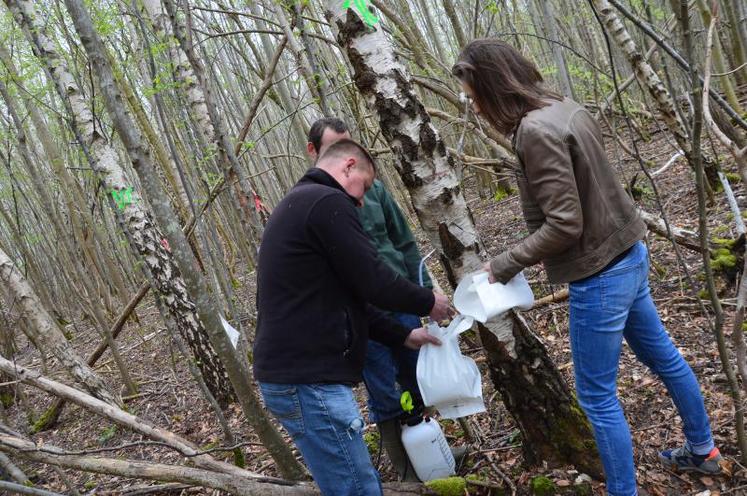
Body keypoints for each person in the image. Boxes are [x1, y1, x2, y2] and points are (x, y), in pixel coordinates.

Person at [452, 39, 722, 496]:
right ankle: (704, 450)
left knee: (596, 397)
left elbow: (565, 224)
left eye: (472, 92)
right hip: (629, 252)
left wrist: (504, 264)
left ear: (492, 86)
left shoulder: (536, 130)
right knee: (665, 359)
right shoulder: (562, 106)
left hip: (600, 273)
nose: (472, 104)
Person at [253, 138, 452, 496]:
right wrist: (427, 301)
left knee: (356, 481)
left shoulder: (304, 204)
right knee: (355, 487)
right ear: (347, 167)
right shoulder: (326, 201)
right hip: (307, 379)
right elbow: (374, 279)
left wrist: (403, 336)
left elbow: (348, 297)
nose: (361, 201)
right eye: (365, 186)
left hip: (299, 376)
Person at [306, 118, 458, 481]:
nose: (349, 161)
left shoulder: (373, 189)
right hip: (364, 314)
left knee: (417, 377)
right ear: (314, 152)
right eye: (335, 150)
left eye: (350, 148)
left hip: (404, 301)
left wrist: (423, 289)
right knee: (384, 389)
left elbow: (403, 241)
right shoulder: (319, 201)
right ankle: (407, 471)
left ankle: (434, 456)